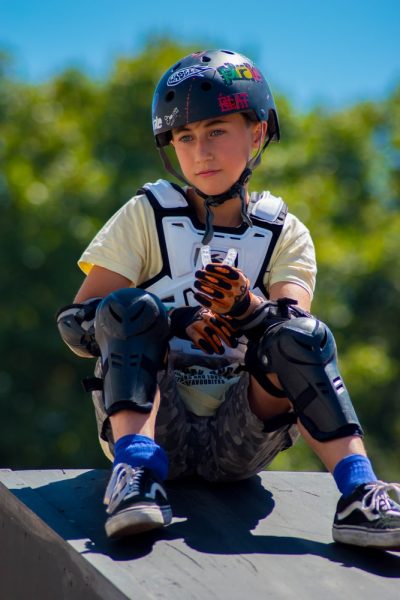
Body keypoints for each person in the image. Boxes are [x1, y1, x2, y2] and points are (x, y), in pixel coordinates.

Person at [56, 49, 400, 549]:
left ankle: (359, 491)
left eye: (216, 130)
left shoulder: (285, 232)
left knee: (302, 335)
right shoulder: (144, 215)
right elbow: (75, 327)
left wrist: (246, 310)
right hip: (157, 418)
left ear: (256, 134)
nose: (201, 152)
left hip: (243, 431)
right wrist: (174, 320)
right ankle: (134, 477)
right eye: (185, 138)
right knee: (130, 306)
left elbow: (295, 329)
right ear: (171, 147)